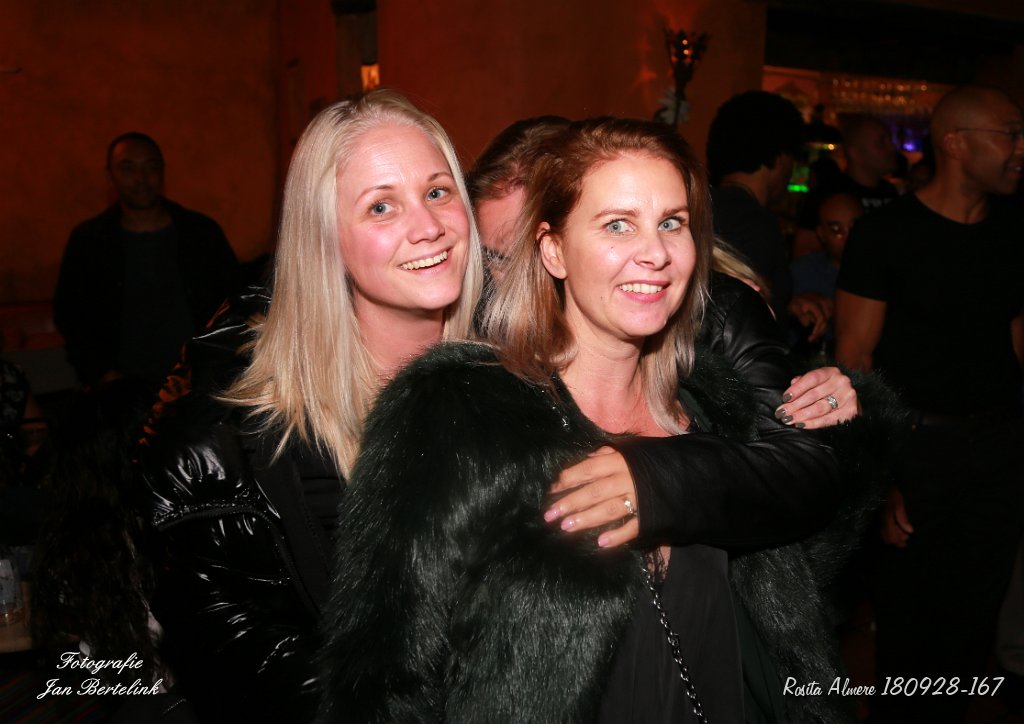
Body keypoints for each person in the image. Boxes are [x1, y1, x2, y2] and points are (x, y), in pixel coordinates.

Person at [320, 117, 897, 724]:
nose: (655, 252)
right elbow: (383, 678)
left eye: (671, 223)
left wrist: (837, 423)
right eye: (617, 224)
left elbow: (797, 583)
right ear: (553, 250)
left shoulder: (718, 408)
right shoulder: (457, 413)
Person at [138, 91, 484, 721]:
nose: (428, 226)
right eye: (381, 206)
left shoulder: (520, 386)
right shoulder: (237, 449)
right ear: (324, 239)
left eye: (437, 191)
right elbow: (236, 666)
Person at [836, 85, 1024, 724]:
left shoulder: (1014, 233)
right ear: (956, 143)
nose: (1021, 148)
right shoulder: (885, 235)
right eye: (1010, 133)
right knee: (911, 629)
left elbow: (1014, 342)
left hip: (998, 448)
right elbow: (854, 360)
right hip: (916, 451)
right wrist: (884, 476)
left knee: (975, 623)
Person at [54, 132, 239, 389]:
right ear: (110, 175)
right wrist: (102, 373)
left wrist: (219, 365)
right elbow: (71, 316)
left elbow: (233, 301)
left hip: (197, 385)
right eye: (127, 167)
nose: (140, 178)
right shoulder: (89, 241)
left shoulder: (201, 233)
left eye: (150, 167)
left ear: (163, 171)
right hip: (120, 391)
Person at [705, 91, 832, 343]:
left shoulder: (705, 203)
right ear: (780, 159)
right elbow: (740, 312)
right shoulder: (753, 220)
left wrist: (788, 306)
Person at [793, 115, 899, 257]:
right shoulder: (827, 194)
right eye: (881, 142)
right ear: (854, 153)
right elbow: (804, 250)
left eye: (890, 140)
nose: (892, 148)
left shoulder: (890, 192)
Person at [789, 192, 862, 357]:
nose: (848, 238)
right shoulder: (802, 271)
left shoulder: (885, 271)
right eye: (836, 230)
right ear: (821, 234)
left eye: (855, 228)